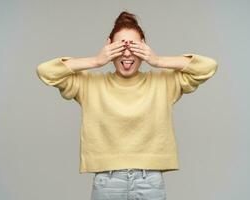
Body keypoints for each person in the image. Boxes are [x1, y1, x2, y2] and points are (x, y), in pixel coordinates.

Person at [36, 10, 218, 200]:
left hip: (150, 180)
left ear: (144, 47)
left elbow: (208, 67)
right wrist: (96, 60)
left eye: (135, 46)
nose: (128, 53)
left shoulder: (163, 82)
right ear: (109, 47)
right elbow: (46, 71)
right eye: (120, 47)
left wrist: (157, 60)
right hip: (107, 180)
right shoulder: (89, 83)